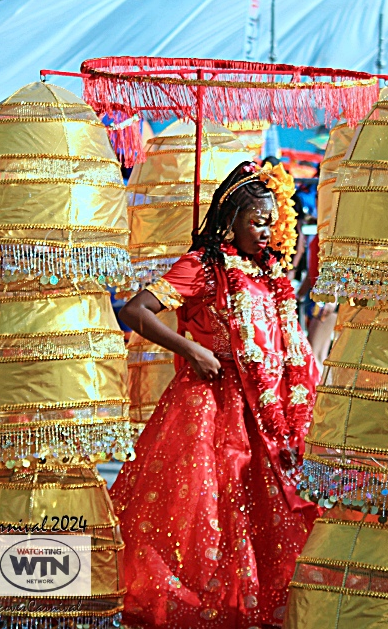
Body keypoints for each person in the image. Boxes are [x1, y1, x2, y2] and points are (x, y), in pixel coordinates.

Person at [111, 161, 319, 628]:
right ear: (232, 220)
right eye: (258, 221)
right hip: (209, 405)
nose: (269, 231)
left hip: (266, 416)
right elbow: (136, 310)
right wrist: (191, 350)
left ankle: (250, 605)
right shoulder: (203, 266)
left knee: (262, 512)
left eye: (274, 220)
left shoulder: (269, 273)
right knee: (209, 512)